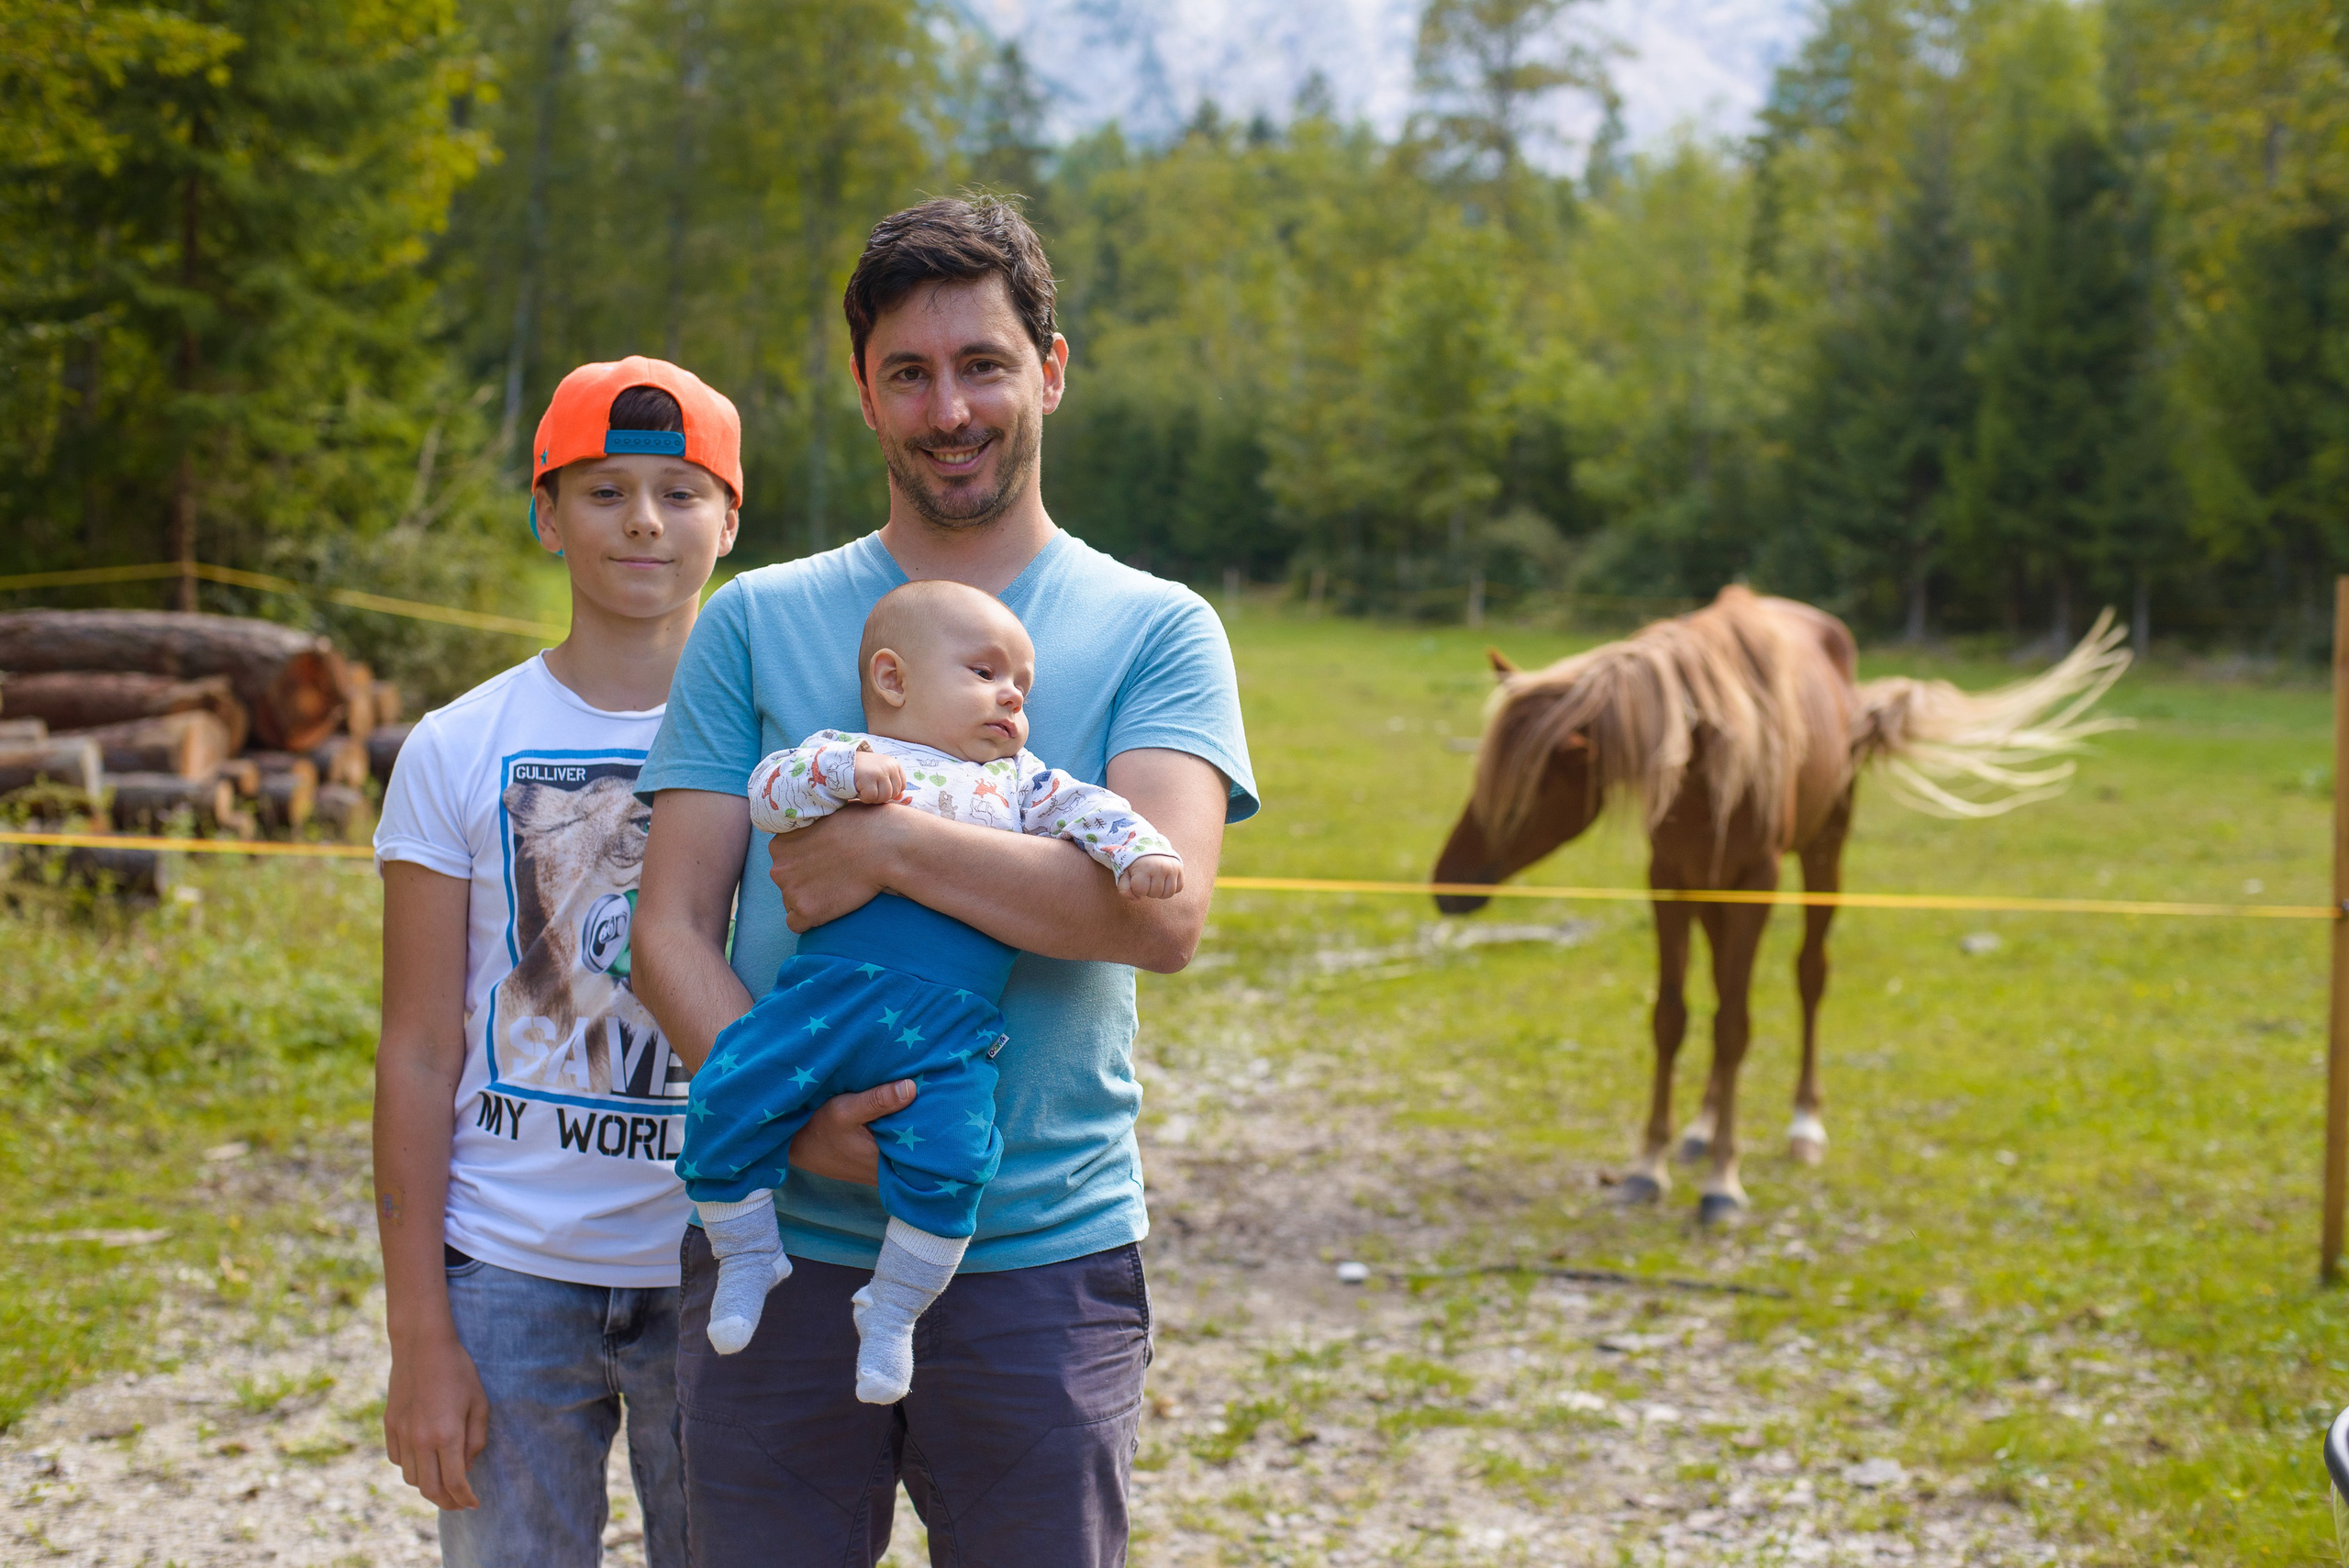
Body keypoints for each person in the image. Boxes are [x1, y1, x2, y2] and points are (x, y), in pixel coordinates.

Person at [631, 195, 1257, 1566]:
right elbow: (668, 924)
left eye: (982, 362)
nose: (949, 407)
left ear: (1051, 367)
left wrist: (892, 843)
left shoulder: (1157, 629)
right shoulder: (755, 619)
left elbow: (1162, 917)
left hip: (1039, 1254)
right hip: (781, 1250)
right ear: (864, 393)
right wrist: (789, 1121)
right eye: (907, 373)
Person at [373, 355, 741, 1568]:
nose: (645, 519)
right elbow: (419, 1050)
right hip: (509, 1279)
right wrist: (421, 1333)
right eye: (604, 490)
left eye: (681, 492)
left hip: (727, 1275)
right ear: (544, 513)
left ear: (729, 521)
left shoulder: (783, 749)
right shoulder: (456, 744)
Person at [680, 579, 1184, 1403]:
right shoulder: (846, 751)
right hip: (824, 1003)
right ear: (892, 679)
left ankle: (894, 1312)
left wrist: (1138, 851)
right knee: (728, 1086)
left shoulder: (1022, 783)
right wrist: (842, 774)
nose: (1012, 695)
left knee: (957, 1159)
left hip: (951, 1028)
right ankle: (745, 1251)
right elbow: (769, 792)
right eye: (986, 672)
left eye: (1022, 683)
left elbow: (1094, 810)